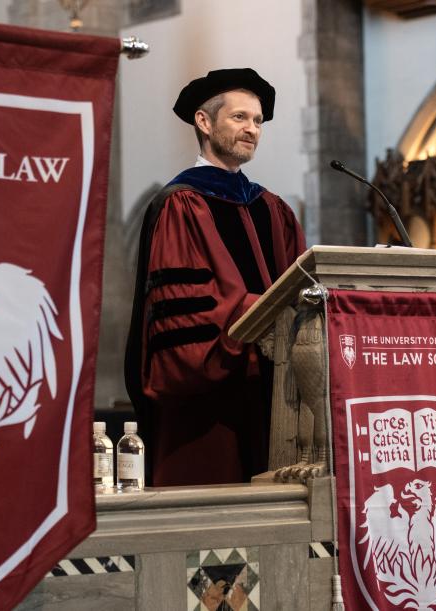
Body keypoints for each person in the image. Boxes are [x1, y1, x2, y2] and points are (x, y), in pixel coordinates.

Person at [124, 68, 306, 487]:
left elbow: (301, 288)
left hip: (276, 397)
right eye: (239, 118)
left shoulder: (273, 209)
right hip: (208, 403)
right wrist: (259, 316)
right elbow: (186, 316)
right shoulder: (181, 205)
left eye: (258, 121)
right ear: (204, 123)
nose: (252, 130)